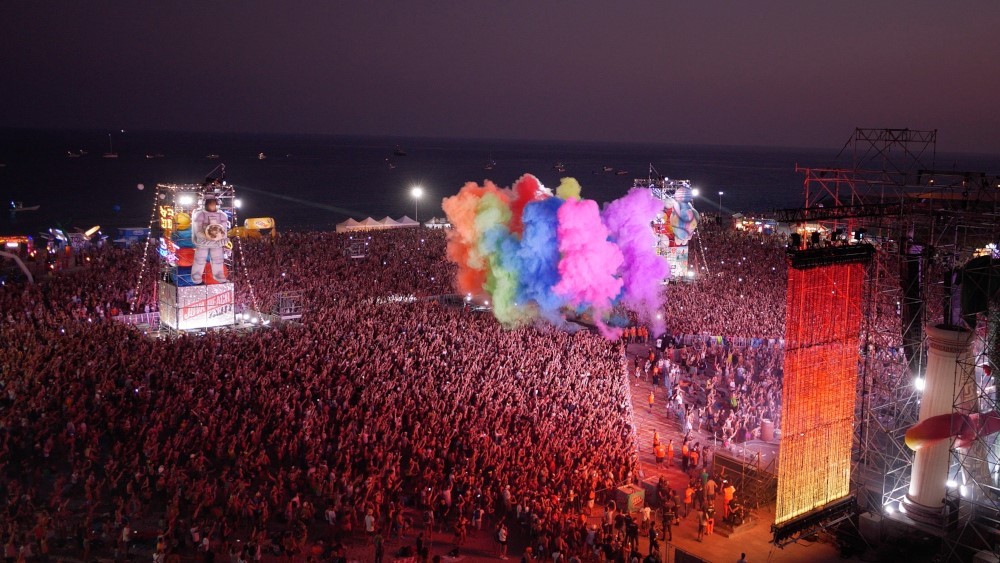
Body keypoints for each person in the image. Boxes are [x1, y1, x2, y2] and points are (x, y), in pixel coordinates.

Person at [191, 196, 229, 284]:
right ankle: (196, 274)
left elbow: (224, 230)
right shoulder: (200, 215)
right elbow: (198, 230)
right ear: (205, 204)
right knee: (200, 259)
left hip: (217, 241)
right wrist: (206, 238)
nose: (212, 206)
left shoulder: (222, 215)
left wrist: (222, 239)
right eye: (210, 204)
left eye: (213, 204)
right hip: (203, 241)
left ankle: (218, 274)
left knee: (218, 259)